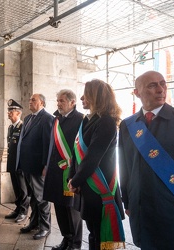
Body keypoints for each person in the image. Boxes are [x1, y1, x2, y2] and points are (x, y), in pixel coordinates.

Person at [119, 71, 174, 249]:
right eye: (152, 85)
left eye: (163, 84)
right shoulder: (128, 125)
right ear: (136, 92)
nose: (160, 89)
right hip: (140, 210)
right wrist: (127, 202)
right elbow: (124, 167)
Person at [67, 79, 125, 250]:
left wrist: (76, 181)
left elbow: (93, 157)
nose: (82, 97)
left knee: (100, 234)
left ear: (96, 96)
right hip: (86, 185)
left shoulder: (106, 122)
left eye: (87, 93)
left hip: (98, 188)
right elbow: (75, 152)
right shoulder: (89, 120)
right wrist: (72, 177)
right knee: (93, 231)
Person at [43, 89, 84, 250]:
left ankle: (75, 244)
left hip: (69, 173)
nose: (59, 104)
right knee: (59, 208)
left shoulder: (81, 120)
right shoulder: (57, 119)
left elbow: (80, 149)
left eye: (62, 101)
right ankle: (66, 240)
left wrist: (75, 173)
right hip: (55, 171)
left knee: (71, 210)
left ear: (72, 102)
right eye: (58, 101)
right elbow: (52, 146)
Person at [16, 93, 54, 240]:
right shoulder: (28, 118)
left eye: (33, 100)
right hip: (26, 165)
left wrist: (46, 165)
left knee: (41, 198)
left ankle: (45, 227)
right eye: (30, 99)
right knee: (33, 198)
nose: (29, 101)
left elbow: (47, 144)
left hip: (38, 166)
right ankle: (34, 223)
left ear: (42, 103)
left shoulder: (47, 119)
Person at [4, 99, 30, 223]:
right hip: (12, 162)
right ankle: (18, 208)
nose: (9, 113)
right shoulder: (10, 128)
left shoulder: (23, 127)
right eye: (9, 111)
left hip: (20, 163)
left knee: (23, 189)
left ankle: (23, 211)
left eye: (11, 111)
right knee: (16, 187)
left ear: (18, 113)